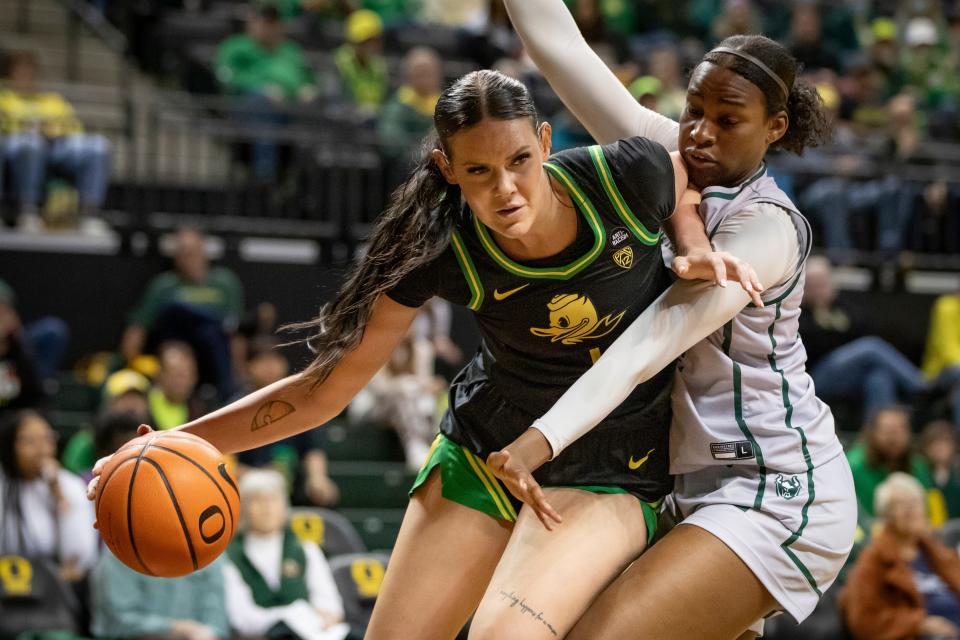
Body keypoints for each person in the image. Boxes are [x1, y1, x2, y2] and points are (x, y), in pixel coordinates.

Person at [89, 69, 761, 640]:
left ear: (545, 143)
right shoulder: (443, 248)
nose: (505, 189)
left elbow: (678, 178)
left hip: (610, 467)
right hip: (484, 449)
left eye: (520, 161)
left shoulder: (621, 179)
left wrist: (691, 238)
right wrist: (172, 442)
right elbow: (323, 390)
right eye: (479, 170)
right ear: (448, 168)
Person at [487, 2, 857, 637]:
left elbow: (650, 343)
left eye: (728, 120)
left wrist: (539, 440)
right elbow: (560, 50)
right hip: (685, 481)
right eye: (693, 111)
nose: (700, 133)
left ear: (774, 127)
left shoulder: (767, 228)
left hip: (773, 487)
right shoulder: (670, 152)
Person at [223, 469, 348, 640]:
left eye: (273, 499)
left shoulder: (305, 549)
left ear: (284, 505)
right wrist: (292, 614)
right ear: (243, 508)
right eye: (257, 500)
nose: (267, 507)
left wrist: (314, 619)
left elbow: (331, 608)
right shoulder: (230, 555)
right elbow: (242, 619)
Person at [121, 227, 244, 400]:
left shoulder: (225, 282)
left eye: (193, 252)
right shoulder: (164, 285)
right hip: (176, 342)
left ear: (205, 252)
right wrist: (130, 365)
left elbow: (235, 334)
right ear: (176, 258)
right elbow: (138, 327)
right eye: (183, 253)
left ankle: (228, 393)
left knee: (212, 331)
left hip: (212, 345)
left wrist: (239, 374)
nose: (189, 258)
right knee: (176, 310)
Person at [800, 256, 925, 421]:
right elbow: (812, 347)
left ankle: (877, 435)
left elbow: (865, 330)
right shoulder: (800, 315)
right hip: (817, 376)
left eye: (822, 282)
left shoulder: (845, 308)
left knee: (879, 377)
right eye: (813, 284)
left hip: (850, 373)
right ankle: (920, 385)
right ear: (804, 286)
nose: (819, 288)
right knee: (870, 347)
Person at [0, 51, 111, 233]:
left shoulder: (52, 100)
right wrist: (26, 128)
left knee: (97, 145)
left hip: (54, 146)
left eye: (30, 73)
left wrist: (54, 130)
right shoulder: (4, 97)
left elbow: (73, 127)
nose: (25, 78)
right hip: (16, 147)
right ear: (9, 75)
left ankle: (89, 214)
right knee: (31, 144)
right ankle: (28, 210)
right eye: (20, 73)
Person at [840, 472, 960, 640]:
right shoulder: (873, 559)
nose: (911, 510)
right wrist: (919, 624)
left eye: (915, 502)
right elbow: (864, 621)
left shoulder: (938, 552)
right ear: (886, 515)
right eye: (901, 505)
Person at [215, 5, 317, 181]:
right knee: (263, 107)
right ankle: (264, 183)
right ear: (252, 23)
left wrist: (307, 88)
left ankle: (306, 182)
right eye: (265, 22)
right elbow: (227, 78)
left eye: (274, 23)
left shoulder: (290, 50)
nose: (269, 27)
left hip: (289, 109)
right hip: (245, 108)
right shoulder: (236, 47)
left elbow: (309, 78)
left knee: (319, 111)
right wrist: (262, 88)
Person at [0, 410, 98, 583]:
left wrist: (58, 495)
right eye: (30, 441)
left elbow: (79, 558)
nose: (41, 449)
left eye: (48, 439)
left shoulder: (71, 485)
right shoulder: (3, 484)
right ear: (9, 445)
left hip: (52, 590)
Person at [91, 550, 230, 640]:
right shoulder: (120, 554)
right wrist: (178, 629)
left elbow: (217, 621)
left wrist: (207, 633)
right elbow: (117, 623)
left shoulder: (210, 554)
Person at [846, 406, 933, 519]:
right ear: (873, 433)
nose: (893, 439)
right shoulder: (854, 466)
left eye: (899, 431)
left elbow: (928, 511)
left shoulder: (918, 466)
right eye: (887, 431)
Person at [333, 10, 388, 115]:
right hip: (346, 123)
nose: (370, 46)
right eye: (365, 42)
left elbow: (384, 99)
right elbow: (334, 103)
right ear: (352, 42)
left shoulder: (379, 66)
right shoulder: (339, 63)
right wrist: (359, 111)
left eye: (374, 41)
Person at [920, 420, 960, 522]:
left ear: (953, 446)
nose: (939, 449)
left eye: (944, 443)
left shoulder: (957, 473)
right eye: (933, 444)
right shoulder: (922, 474)